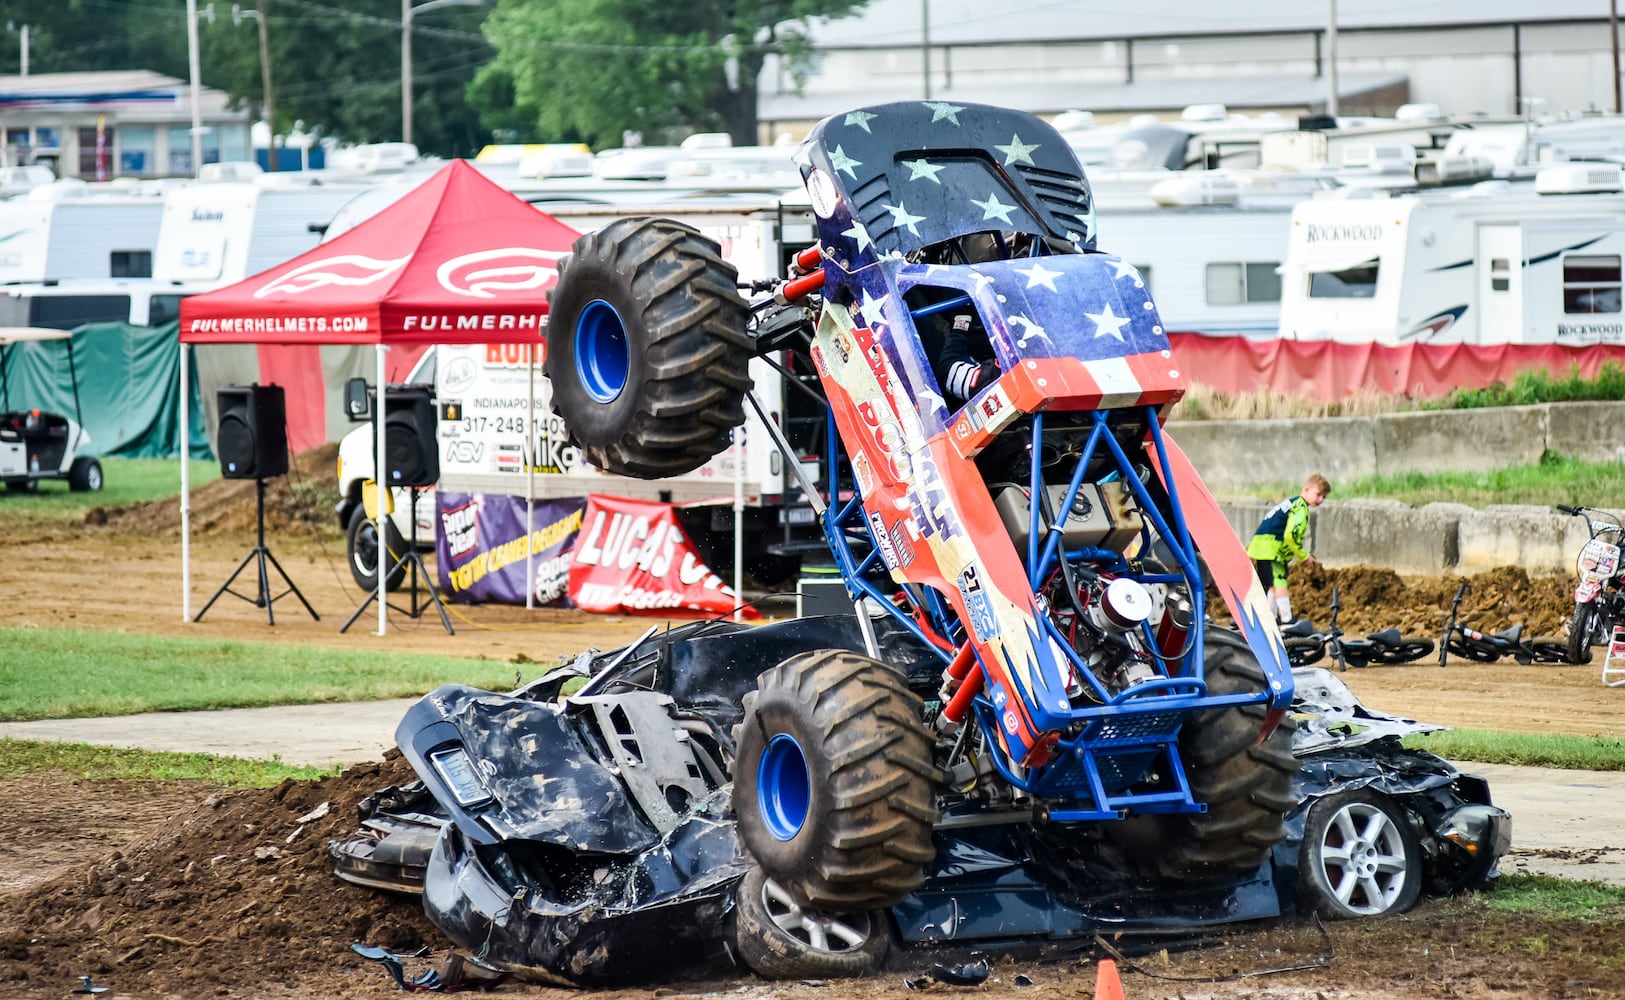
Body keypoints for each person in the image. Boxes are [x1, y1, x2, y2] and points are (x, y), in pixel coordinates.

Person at [1246, 473, 1330, 625]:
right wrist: (1304, 556)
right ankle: (1286, 619)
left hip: (1261, 546)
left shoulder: (1290, 502)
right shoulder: (1300, 507)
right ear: (1306, 489)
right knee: (1280, 582)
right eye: (1318, 494)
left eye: (1323, 497)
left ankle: (1269, 618)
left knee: (1271, 585)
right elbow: (1290, 535)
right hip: (1273, 549)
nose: (1321, 500)